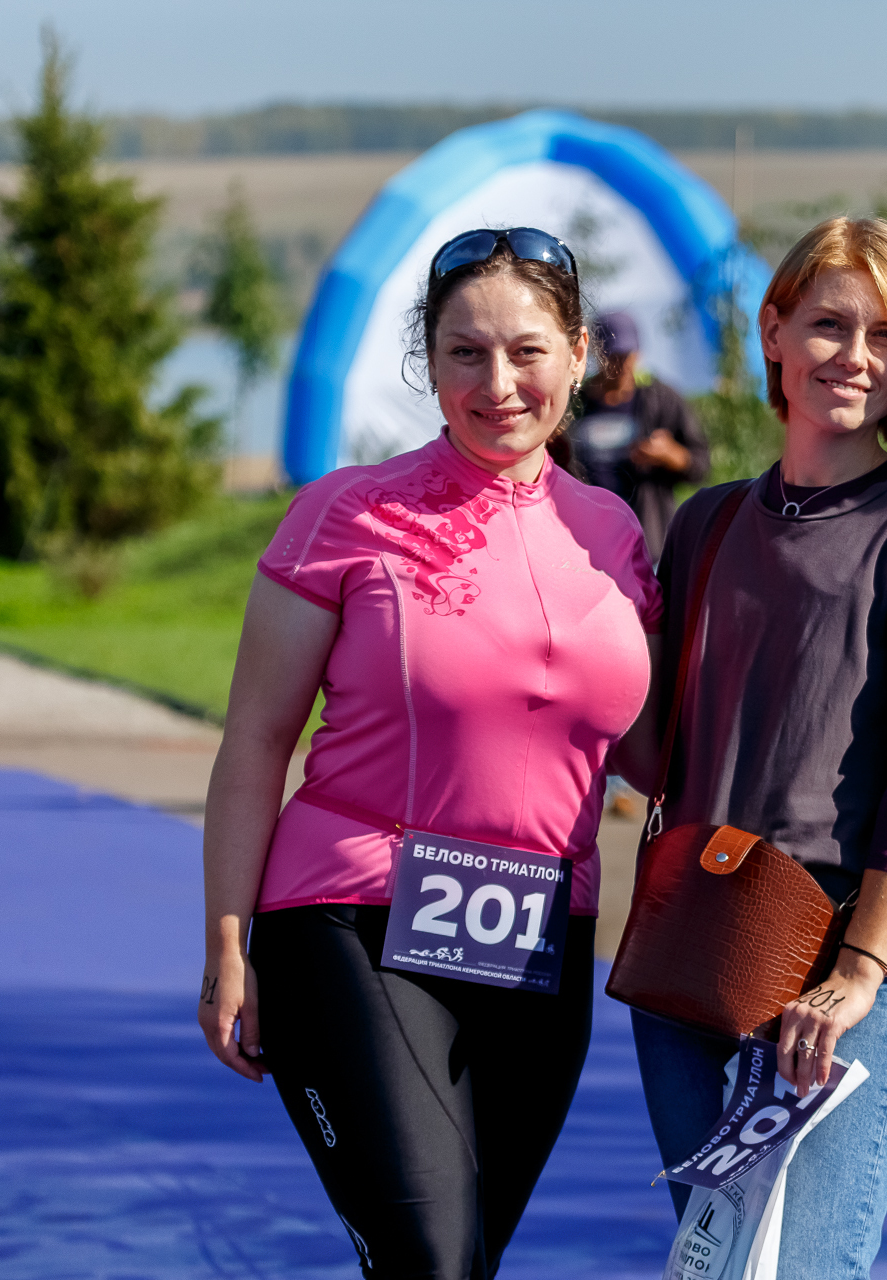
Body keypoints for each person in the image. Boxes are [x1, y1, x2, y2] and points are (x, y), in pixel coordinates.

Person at [196, 227, 662, 1279]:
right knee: (430, 1259)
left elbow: (649, 754)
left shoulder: (614, 535)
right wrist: (228, 940)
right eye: (465, 353)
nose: (498, 384)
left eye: (528, 351)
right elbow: (257, 741)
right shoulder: (347, 514)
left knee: (465, 1261)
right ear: (430, 360)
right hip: (352, 918)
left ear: (578, 354)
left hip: (541, 937)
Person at [620, 217, 887, 1278]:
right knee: (711, 1269)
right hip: (691, 960)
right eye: (830, 324)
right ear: (773, 331)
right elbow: (656, 757)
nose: (857, 356)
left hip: (838, 969)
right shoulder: (706, 523)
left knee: (810, 1269)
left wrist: (860, 971)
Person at [569, 310, 711, 561]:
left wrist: (670, 454)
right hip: (587, 546)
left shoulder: (662, 400)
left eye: (627, 355)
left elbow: (701, 465)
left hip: (649, 548)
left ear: (638, 353)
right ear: (596, 355)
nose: (622, 364)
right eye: (613, 356)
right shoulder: (575, 405)